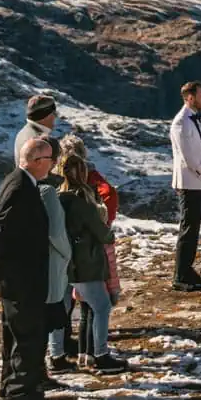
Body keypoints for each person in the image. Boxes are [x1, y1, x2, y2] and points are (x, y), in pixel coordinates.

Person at [0, 136, 55, 400]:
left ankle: (10, 386)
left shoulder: (16, 180)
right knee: (27, 333)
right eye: (49, 159)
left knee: (13, 333)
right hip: (21, 275)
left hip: (15, 274)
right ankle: (21, 393)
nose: (53, 164)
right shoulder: (21, 187)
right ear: (37, 161)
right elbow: (2, 227)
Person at [58, 141, 128, 374]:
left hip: (65, 262)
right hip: (86, 260)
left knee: (62, 306)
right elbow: (102, 231)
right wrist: (107, 229)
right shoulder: (82, 200)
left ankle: (57, 355)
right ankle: (100, 354)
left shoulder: (58, 196)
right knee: (101, 306)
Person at [169, 81, 201, 290]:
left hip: (196, 180)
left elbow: (200, 149)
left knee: (194, 227)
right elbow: (187, 155)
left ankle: (188, 270)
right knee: (187, 227)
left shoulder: (193, 120)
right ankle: (180, 276)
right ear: (190, 97)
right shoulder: (181, 122)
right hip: (189, 181)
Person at [38, 142, 76, 373]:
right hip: (55, 260)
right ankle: (56, 355)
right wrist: (68, 253)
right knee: (59, 305)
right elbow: (56, 232)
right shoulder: (47, 192)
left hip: (37, 261)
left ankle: (52, 354)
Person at [13, 94, 63, 169]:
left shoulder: (23, 132)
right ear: (46, 116)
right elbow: (43, 175)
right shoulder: (40, 142)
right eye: (54, 113)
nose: (55, 117)